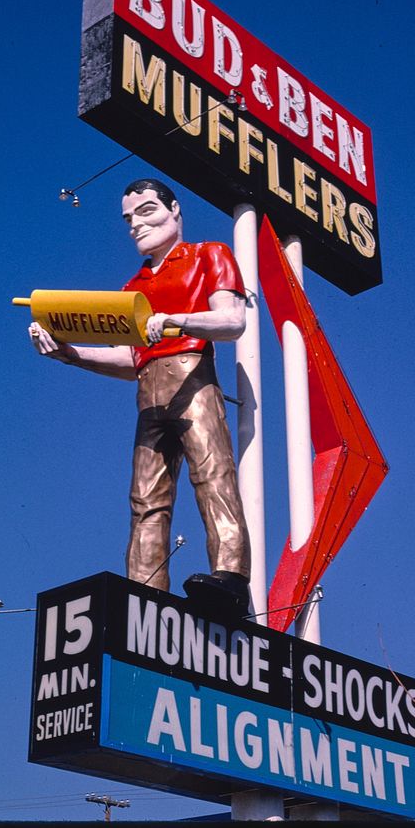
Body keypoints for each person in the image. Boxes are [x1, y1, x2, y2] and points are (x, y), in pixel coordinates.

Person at [28, 178, 251, 610]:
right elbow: (130, 359)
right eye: (129, 218)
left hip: (192, 378)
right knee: (146, 496)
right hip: (149, 390)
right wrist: (70, 354)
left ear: (174, 210)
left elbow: (233, 320)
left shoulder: (209, 255)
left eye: (146, 211)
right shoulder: (134, 285)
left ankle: (230, 574)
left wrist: (177, 321)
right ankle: (145, 592)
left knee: (212, 473)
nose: (136, 224)